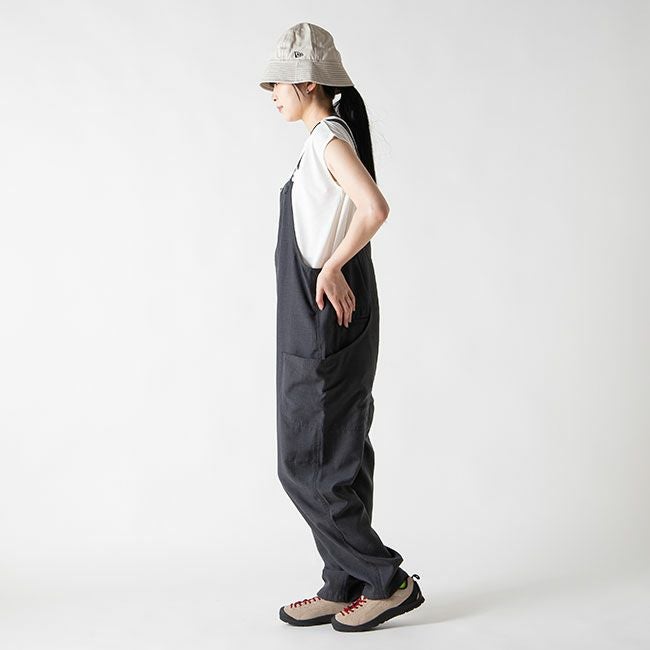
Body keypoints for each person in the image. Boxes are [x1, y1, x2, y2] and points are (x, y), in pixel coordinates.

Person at [260, 22, 425, 633]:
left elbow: (374, 207)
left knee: (306, 464)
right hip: (320, 319)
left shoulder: (328, 138)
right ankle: (344, 582)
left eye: (277, 84)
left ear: (307, 83)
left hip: (322, 321)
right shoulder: (326, 139)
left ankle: (385, 580)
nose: (272, 94)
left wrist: (331, 266)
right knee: (340, 457)